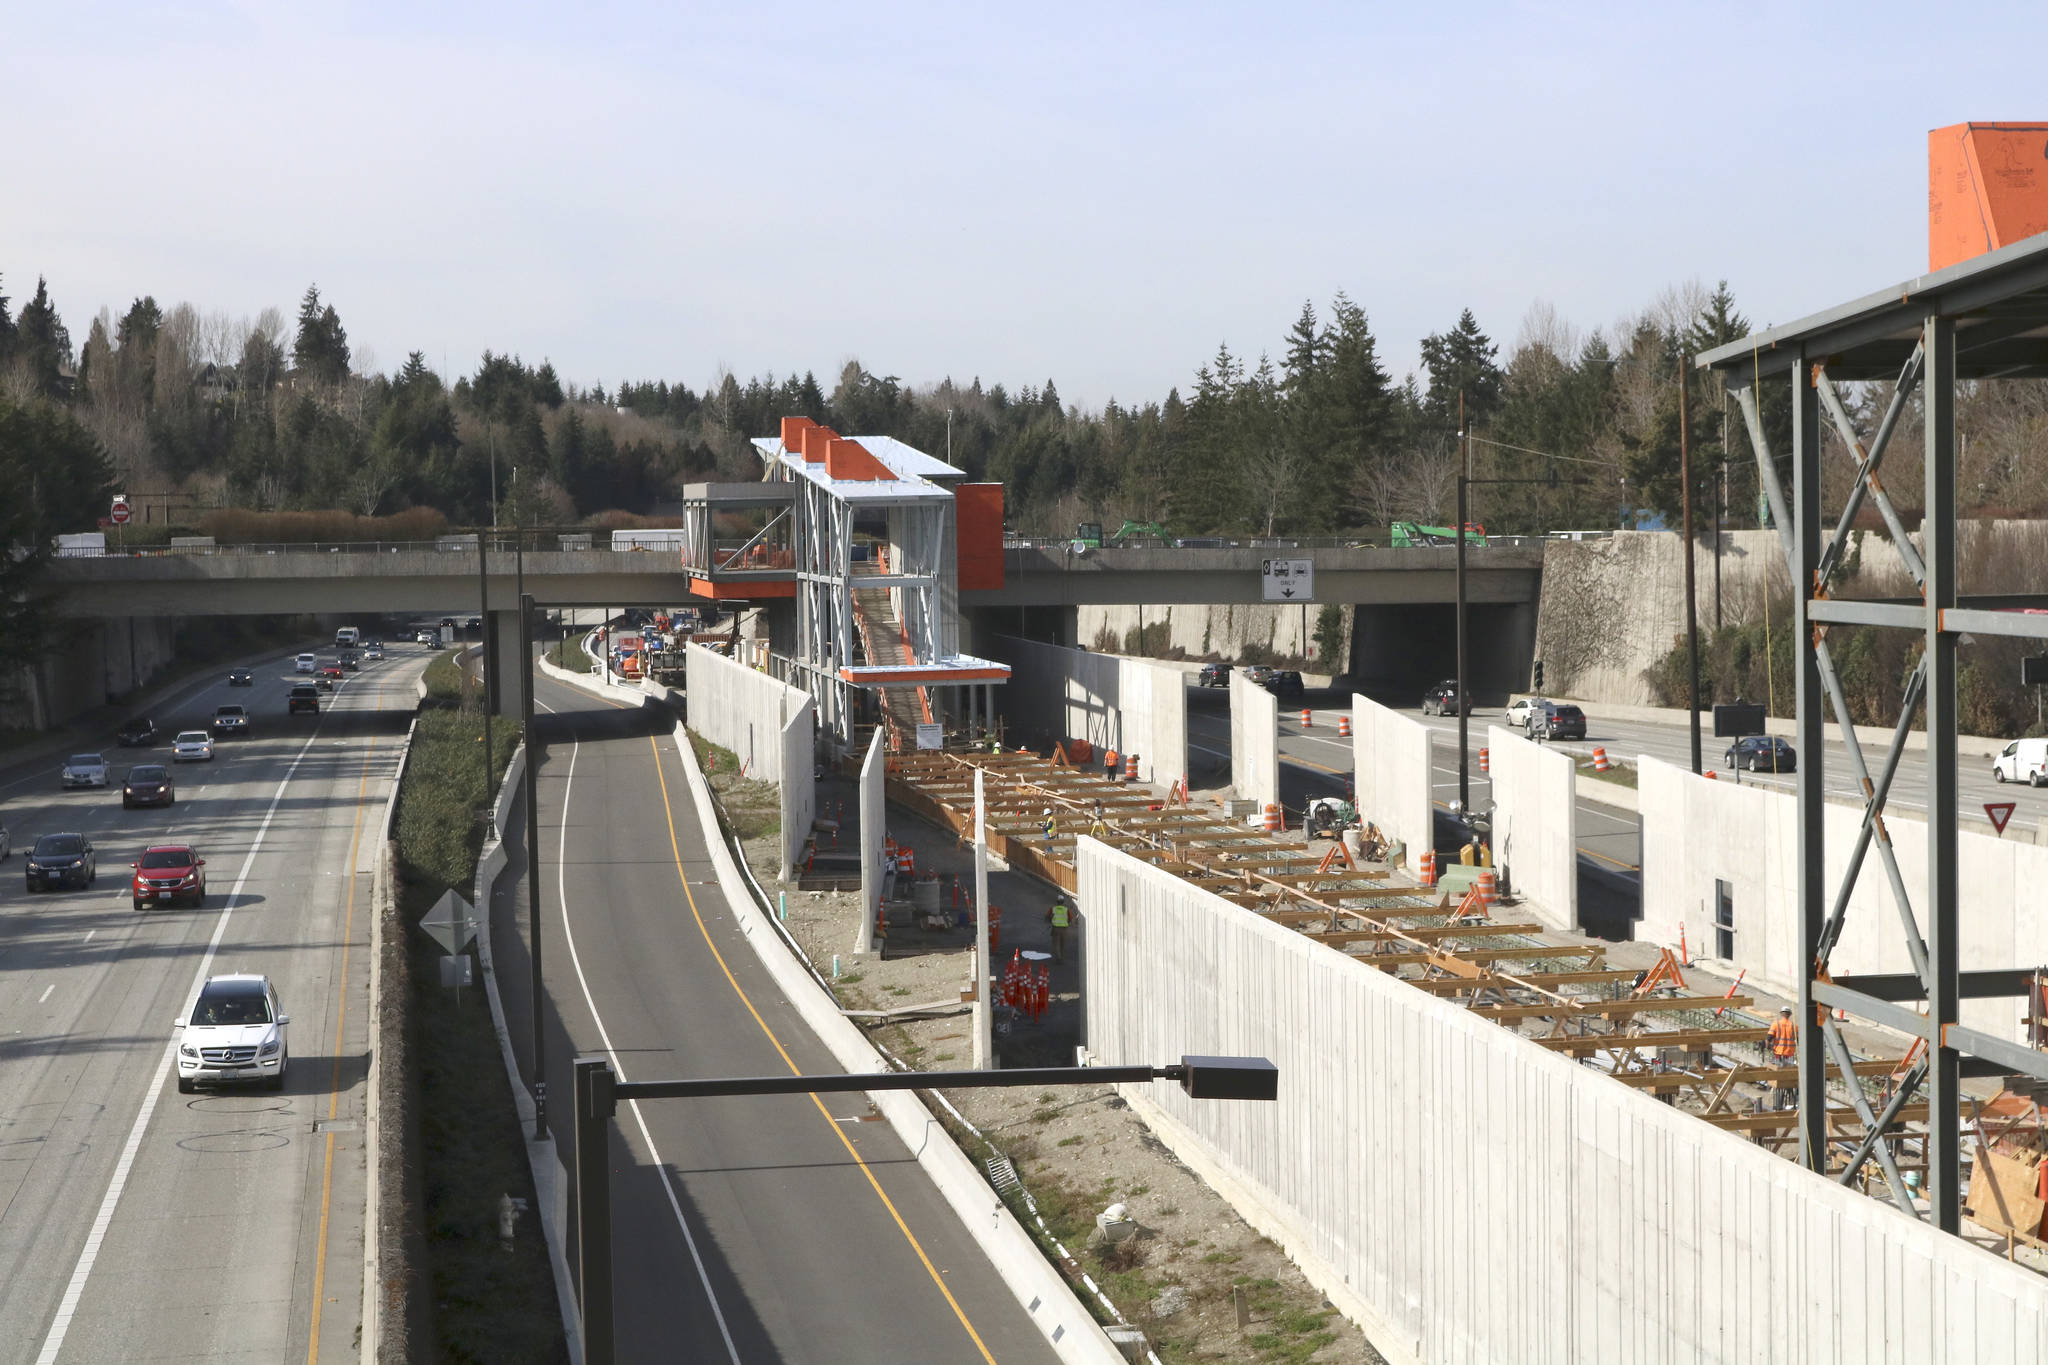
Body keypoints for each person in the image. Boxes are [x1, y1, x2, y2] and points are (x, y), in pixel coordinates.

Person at [1767, 1006, 1799, 1110]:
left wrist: (1768, 1046)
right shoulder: (1794, 1026)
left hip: (1778, 1054)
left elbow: (1769, 1038)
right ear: (1789, 1015)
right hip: (1789, 1055)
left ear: (1781, 1014)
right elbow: (1798, 1039)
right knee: (1788, 1077)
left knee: (1778, 1078)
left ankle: (1778, 1103)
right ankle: (1790, 1098)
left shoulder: (1776, 1024)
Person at [1046, 898, 1071, 963]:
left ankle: (1058, 958)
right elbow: (1070, 918)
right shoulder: (1066, 909)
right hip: (1064, 929)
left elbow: (1047, 916)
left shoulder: (1053, 909)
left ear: (1057, 901)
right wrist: (1066, 922)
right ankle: (1062, 958)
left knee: (1056, 944)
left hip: (1055, 929)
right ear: (1063, 902)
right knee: (1063, 944)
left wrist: (1050, 920)